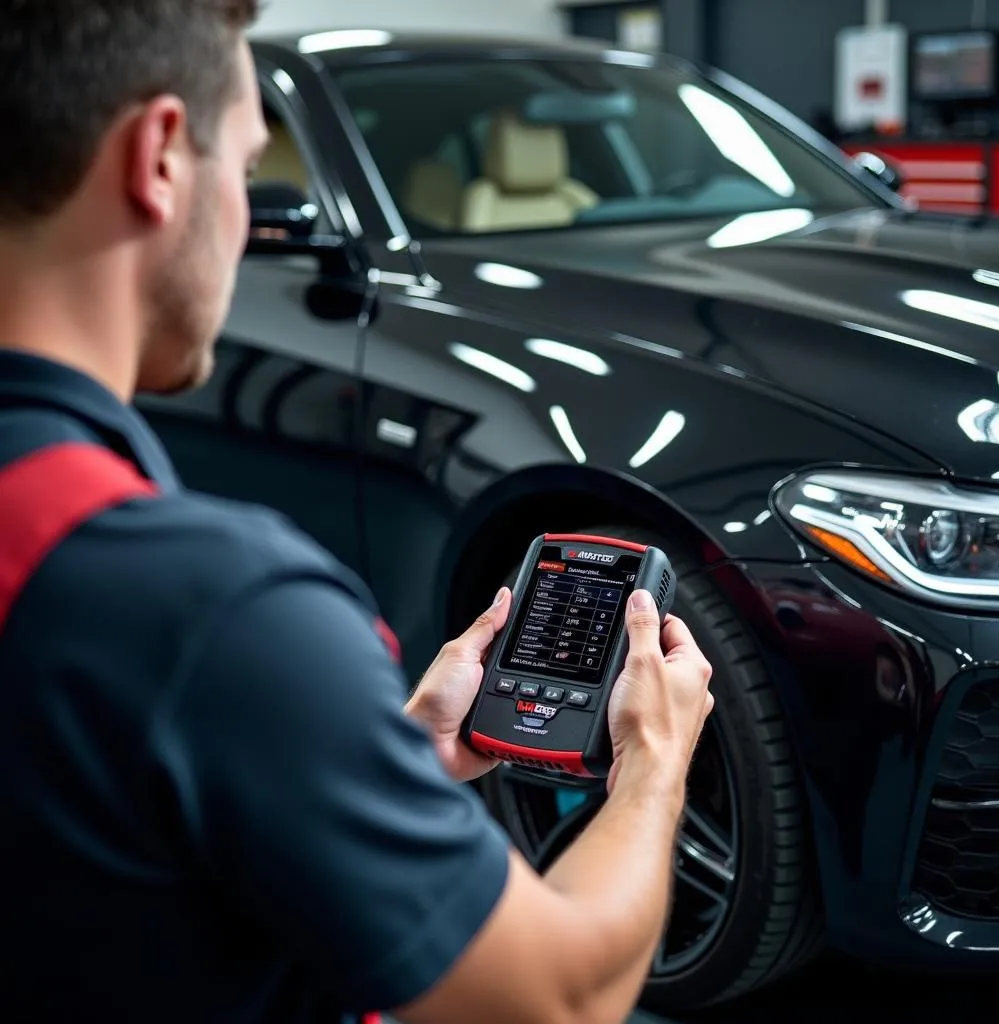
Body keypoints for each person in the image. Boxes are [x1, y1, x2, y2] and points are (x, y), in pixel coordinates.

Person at [0, 3, 715, 1023]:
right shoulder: (219, 613)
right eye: (247, 171)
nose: (251, 218)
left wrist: (383, 748)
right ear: (159, 159)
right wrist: (653, 757)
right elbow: (558, 997)